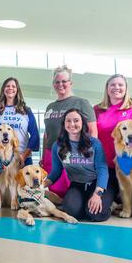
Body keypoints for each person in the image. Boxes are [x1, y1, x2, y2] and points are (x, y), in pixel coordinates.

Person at [44, 109, 112, 222]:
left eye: (76, 120)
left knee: (95, 214)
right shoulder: (58, 145)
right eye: (68, 121)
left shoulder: (94, 143)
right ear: (64, 124)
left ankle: (109, 203)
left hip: (98, 183)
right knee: (72, 211)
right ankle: (85, 204)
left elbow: (102, 169)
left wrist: (97, 194)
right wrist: (42, 185)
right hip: (77, 184)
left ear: (82, 123)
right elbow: (56, 171)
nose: (72, 124)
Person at [94, 74, 132, 201]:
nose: (116, 87)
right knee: (101, 207)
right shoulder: (97, 109)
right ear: (107, 88)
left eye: (120, 85)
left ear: (126, 88)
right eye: (112, 85)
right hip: (106, 167)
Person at [41, 65, 97, 197]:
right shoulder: (50, 107)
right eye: (57, 82)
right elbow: (47, 134)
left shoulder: (81, 103)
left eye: (64, 81)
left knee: (71, 193)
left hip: (73, 153)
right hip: (51, 154)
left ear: (70, 83)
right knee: (56, 191)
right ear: (54, 84)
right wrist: (44, 156)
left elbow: (93, 131)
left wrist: (89, 155)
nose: (60, 84)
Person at [0, 77, 40, 165]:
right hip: (1, 159)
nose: (10, 88)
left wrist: (23, 156)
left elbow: (35, 135)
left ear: (17, 90)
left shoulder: (26, 111)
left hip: (22, 157)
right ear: (3, 90)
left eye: (13, 86)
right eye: (7, 86)